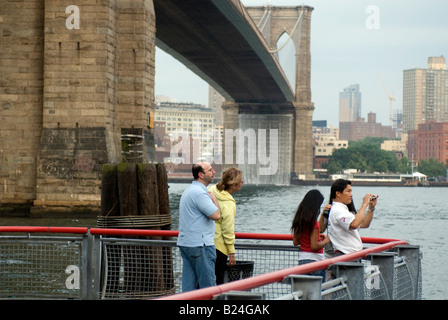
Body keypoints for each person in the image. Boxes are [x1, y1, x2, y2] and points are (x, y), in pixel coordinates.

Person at [177, 161, 221, 292]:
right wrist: (214, 199)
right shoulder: (200, 193)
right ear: (201, 174)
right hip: (201, 245)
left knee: (188, 287)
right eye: (210, 170)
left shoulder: (189, 190)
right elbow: (216, 215)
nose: (214, 172)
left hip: (186, 243)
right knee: (208, 287)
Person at [208, 167, 244, 285]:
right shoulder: (228, 203)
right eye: (241, 181)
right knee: (217, 282)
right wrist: (231, 253)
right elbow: (227, 230)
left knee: (204, 281)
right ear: (234, 185)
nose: (242, 183)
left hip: (206, 242)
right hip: (219, 247)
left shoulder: (211, 190)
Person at [326, 179, 377, 256]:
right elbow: (354, 224)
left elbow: (364, 224)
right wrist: (364, 205)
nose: (351, 195)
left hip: (350, 255)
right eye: (348, 191)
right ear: (338, 193)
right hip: (345, 256)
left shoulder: (343, 209)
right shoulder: (338, 210)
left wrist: (371, 208)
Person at [291, 189, 331, 281]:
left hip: (302, 261)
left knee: (304, 293)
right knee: (318, 292)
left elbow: (295, 242)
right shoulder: (313, 223)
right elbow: (314, 246)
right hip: (316, 261)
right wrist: (326, 240)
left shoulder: (298, 220)